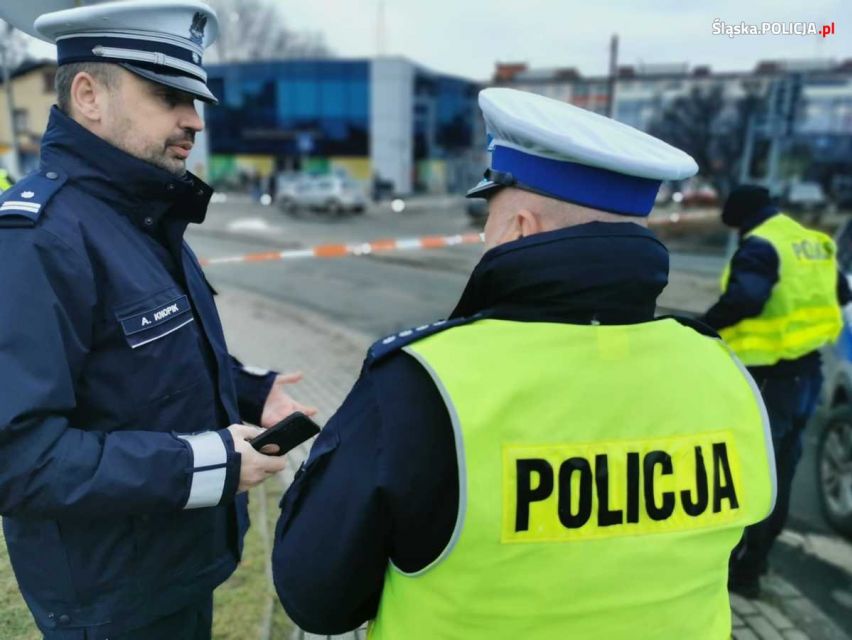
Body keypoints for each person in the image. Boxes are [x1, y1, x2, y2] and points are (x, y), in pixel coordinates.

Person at [272, 88, 777, 639]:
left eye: (489, 215)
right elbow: (731, 542)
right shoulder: (721, 368)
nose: (483, 235)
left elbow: (316, 599)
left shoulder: (422, 383)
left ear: (519, 228)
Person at [0, 2, 314, 638]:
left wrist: (253, 389)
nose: (193, 120)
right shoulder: (38, 239)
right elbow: (20, 458)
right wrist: (207, 465)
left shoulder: (138, 214)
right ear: (88, 94)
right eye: (168, 95)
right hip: (109, 600)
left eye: (194, 97)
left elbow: (137, 356)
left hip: (173, 573)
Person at [700, 185, 850, 597]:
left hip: (769, 378)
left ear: (741, 215)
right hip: (808, 374)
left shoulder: (761, 246)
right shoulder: (809, 241)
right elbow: (842, 293)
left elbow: (746, 298)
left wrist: (702, 327)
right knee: (780, 471)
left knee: (752, 472)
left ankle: (741, 571)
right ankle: (756, 564)